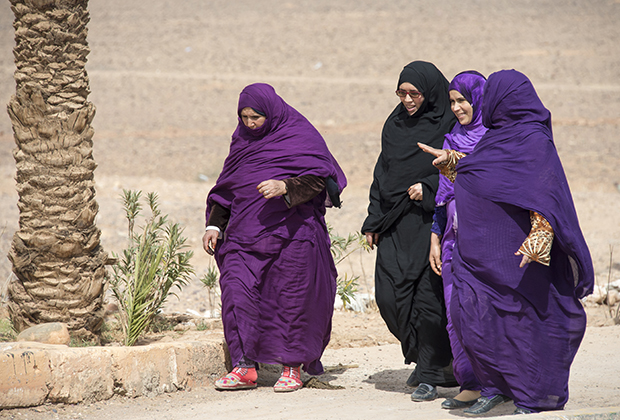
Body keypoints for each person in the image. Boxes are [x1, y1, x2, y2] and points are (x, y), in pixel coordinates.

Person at [418, 69, 594, 415]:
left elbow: (544, 191)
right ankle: (494, 386)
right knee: (476, 320)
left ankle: (531, 396)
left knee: (523, 325)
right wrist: (453, 163)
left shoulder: (533, 141)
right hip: (480, 254)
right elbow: (482, 176)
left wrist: (541, 235)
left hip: (519, 257)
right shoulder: (494, 139)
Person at [203, 83, 347, 393]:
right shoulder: (241, 143)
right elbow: (226, 190)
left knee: (290, 300)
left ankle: (292, 367)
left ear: (271, 112)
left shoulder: (298, 136)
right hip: (244, 235)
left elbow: (322, 179)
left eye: (256, 117)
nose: (251, 123)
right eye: (244, 117)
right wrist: (214, 226)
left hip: (294, 234)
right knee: (236, 291)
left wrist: (286, 187)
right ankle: (244, 367)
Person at [361, 60, 458, 402]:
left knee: (429, 302)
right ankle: (430, 359)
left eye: (414, 93)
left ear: (429, 93)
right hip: (395, 223)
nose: (407, 100)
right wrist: (373, 220)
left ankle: (431, 372)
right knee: (389, 298)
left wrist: (429, 186)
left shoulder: (448, 123)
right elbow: (383, 172)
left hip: (432, 224)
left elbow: (462, 167)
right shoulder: (395, 124)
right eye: (401, 93)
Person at [429, 71, 486, 410]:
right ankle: (469, 382)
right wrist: (436, 238)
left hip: (486, 239)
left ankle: (495, 383)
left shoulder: (496, 139)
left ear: (479, 99)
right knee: (456, 312)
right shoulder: (451, 139)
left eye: (462, 100)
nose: (457, 107)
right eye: (452, 102)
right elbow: (443, 197)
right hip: (454, 239)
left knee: (484, 312)